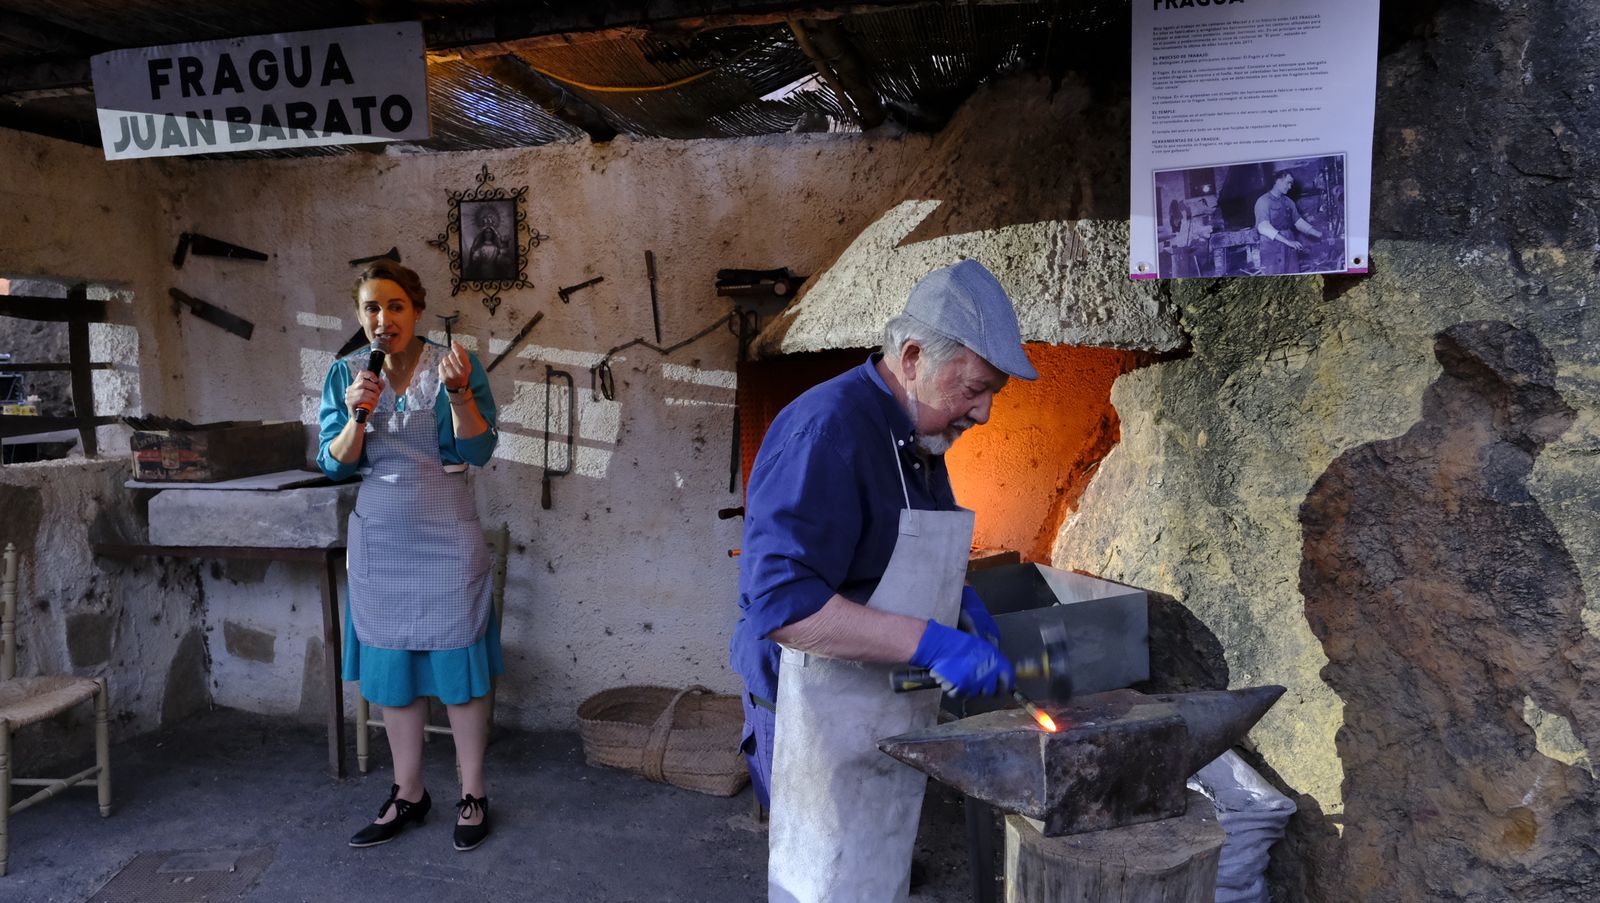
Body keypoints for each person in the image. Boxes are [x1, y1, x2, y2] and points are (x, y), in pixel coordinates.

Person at [730, 259, 1034, 902]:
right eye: (974, 389)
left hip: (875, 701)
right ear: (916, 355)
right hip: (810, 706)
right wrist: (934, 643)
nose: (981, 414)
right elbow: (784, 607)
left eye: (991, 396)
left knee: (874, 874)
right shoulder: (828, 433)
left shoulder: (921, 437)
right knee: (818, 884)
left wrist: (959, 601)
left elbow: (908, 547)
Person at [317, 260, 501, 852]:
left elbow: (477, 450)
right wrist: (354, 417)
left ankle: (472, 792)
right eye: (372, 308)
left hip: (446, 533)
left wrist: (458, 394)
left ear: (416, 310)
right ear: (360, 316)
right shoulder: (345, 373)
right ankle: (409, 792)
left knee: (459, 668)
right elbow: (335, 463)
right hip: (382, 539)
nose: (383, 319)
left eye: (395, 306)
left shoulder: (454, 363)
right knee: (392, 670)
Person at [1254, 170, 1323, 275]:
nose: (1290, 187)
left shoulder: (1288, 201)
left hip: (1289, 242)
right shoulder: (1263, 201)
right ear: (1278, 181)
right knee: (1274, 278)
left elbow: (1298, 221)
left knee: (1293, 274)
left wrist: (1318, 234)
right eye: (1288, 182)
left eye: (1291, 183)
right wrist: (1288, 242)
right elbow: (1263, 227)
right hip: (1271, 245)